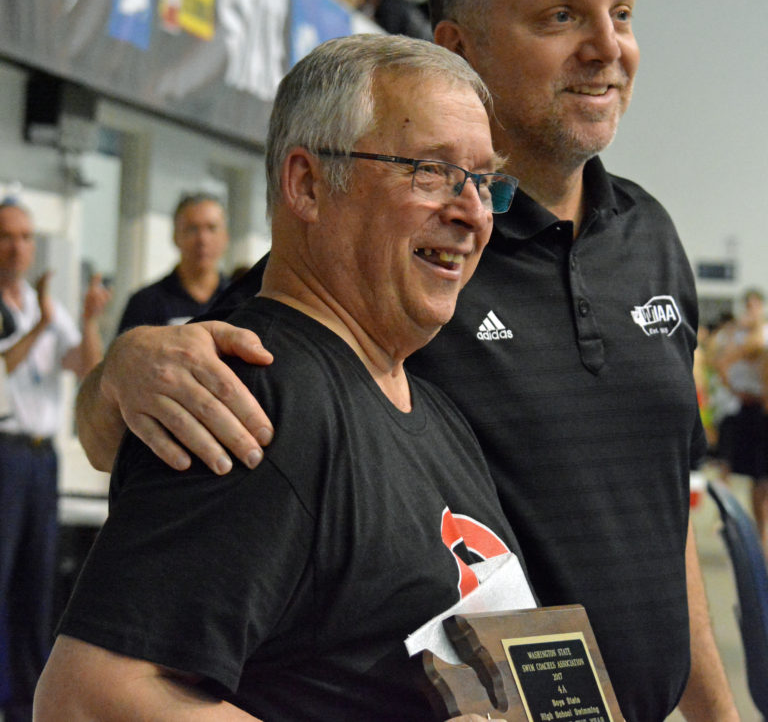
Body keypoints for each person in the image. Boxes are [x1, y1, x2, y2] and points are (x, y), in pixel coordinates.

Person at [73, 0, 739, 720]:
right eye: (561, 16)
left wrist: (717, 712)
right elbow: (198, 401)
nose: (606, 47)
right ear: (459, 46)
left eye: (622, 14)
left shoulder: (650, 240)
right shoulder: (364, 296)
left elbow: (665, 518)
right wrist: (124, 368)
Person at [35, 35, 528, 721]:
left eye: (483, 181)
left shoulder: (431, 411)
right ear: (306, 183)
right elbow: (88, 701)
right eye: (430, 171)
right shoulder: (254, 400)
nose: (473, 212)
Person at [0, 198, 109, 722]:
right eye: (6, 236)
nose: (17, 247)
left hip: (41, 464)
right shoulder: (22, 310)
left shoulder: (42, 304)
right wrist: (42, 324)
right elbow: (4, 367)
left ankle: (25, 702)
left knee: (35, 580)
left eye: (24, 236)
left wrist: (88, 320)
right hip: (5, 453)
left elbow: (85, 365)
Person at [116, 192, 230, 333]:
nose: (202, 239)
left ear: (226, 236)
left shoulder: (242, 300)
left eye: (212, 228)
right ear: (175, 236)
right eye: (192, 229)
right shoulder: (145, 303)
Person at [713, 289, 768, 550]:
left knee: (761, 477)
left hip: (762, 408)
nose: (752, 310)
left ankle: (760, 531)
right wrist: (734, 389)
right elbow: (721, 360)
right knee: (732, 467)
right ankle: (738, 526)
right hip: (744, 407)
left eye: (756, 306)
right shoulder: (739, 335)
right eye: (749, 305)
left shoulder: (762, 333)